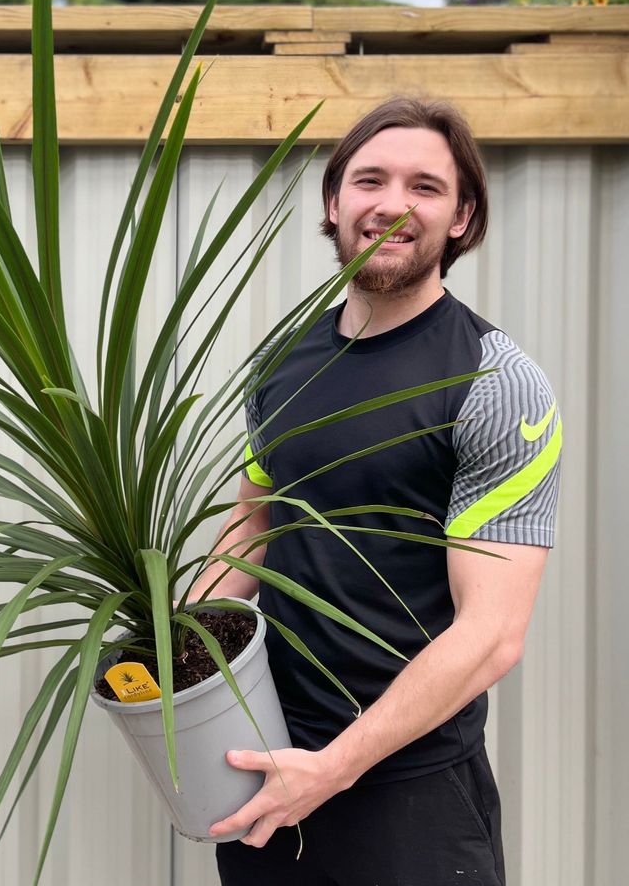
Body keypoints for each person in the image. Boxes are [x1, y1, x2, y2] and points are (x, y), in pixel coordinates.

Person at [198, 97, 562, 886]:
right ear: (335, 203)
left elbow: (492, 635)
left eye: (425, 187)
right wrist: (172, 648)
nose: (393, 204)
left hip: (411, 799)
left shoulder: (496, 384)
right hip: (268, 777)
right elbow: (254, 522)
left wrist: (332, 768)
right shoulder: (283, 363)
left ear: (462, 216)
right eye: (370, 180)